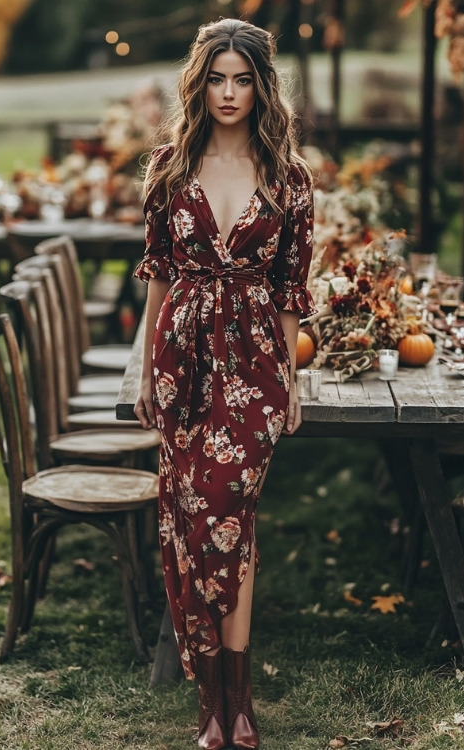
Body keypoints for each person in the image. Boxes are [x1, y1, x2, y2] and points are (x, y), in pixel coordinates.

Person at [133, 17, 316, 750]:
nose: (230, 92)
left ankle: (238, 700)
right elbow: (157, 273)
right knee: (191, 519)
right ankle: (215, 703)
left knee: (228, 513)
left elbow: (289, 292)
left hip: (254, 369)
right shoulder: (170, 168)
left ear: (263, 87)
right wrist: (148, 366)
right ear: (199, 83)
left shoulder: (289, 178)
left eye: (243, 79)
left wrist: (292, 381)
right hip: (182, 362)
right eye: (217, 78)